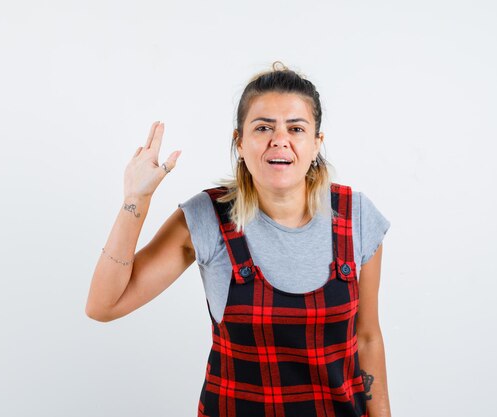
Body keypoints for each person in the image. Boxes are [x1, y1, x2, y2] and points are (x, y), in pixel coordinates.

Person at [85, 62, 392, 417]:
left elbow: (367, 338)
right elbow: (103, 306)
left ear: (316, 143)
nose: (280, 140)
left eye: (296, 128)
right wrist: (136, 199)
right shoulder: (205, 217)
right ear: (240, 142)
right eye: (263, 127)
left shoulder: (356, 217)